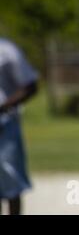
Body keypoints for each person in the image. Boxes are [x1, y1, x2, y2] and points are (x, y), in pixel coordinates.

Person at [0, 38, 38, 215]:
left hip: (5, 124)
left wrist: (5, 106)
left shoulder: (6, 50)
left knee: (11, 181)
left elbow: (30, 85)